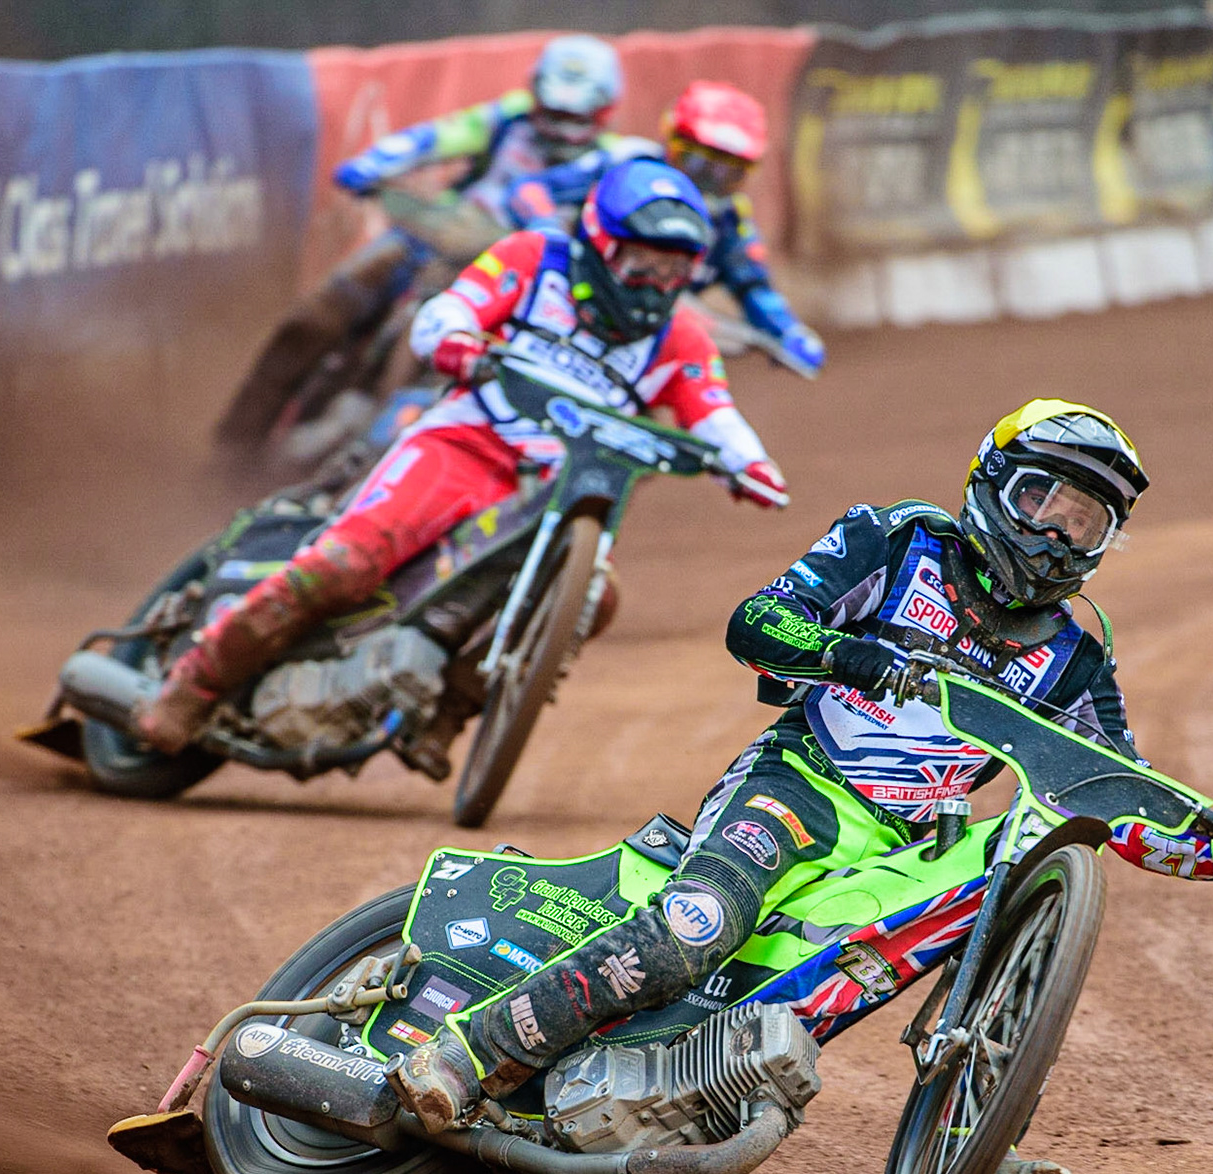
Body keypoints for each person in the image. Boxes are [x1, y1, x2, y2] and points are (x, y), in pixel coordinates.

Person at [389, 398, 1213, 1174]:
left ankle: (973, 1133)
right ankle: (466, 1056)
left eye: (1086, 520)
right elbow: (757, 623)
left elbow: (1117, 791)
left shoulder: (1078, 660)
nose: (1058, 533)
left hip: (910, 844)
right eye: (1042, 499)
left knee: (1022, 865)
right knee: (698, 925)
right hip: (798, 784)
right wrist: (842, 654)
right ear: (991, 485)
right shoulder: (898, 542)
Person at [132, 158, 789, 766]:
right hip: (464, 446)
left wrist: (750, 464)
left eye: (675, 270)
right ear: (600, 242)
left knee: (596, 597)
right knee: (348, 562)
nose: (657, 284)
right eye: (643, 262)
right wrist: (453, 339)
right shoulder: (534, 260)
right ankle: (195, 682)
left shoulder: (681, 338)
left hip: (556, 492)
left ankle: (448, 712)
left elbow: (714, 412)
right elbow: (452, 308)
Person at [212, 35, 627, 460]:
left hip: (506, 280)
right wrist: (375, 163)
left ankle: (376, 463)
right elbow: (435, 138)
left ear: (604, 110)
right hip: (427, 238)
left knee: (438, 374)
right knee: (314, 318)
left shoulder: (615, 167)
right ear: (536, 92)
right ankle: (230, 448)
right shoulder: (508, 119)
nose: (559, 125)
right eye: (552, 110)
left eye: (573, 116)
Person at [503, 80, 825, 376]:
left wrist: (788, 331)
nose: (708, 182)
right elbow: (528, 189)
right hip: (558, 303)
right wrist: (550, 232)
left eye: (729, 173)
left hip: (641, 343)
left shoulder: (731, 220)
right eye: (697, 163)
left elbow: (753, 285)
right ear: (670, 141)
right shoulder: (626, 163)